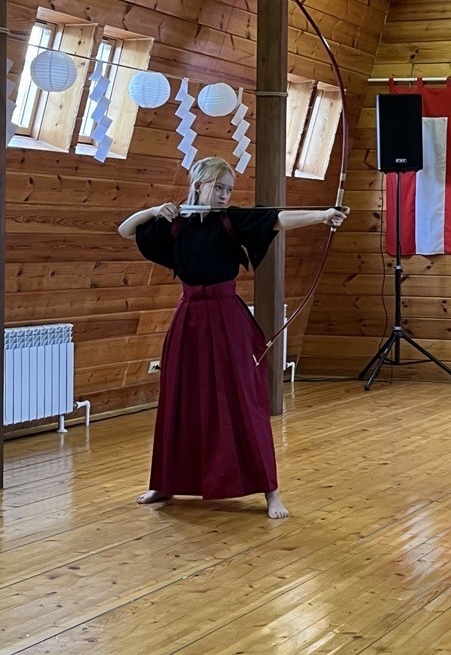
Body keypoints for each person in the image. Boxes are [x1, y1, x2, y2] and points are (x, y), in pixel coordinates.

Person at [118, 156, 348, 518]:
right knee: (179, 399)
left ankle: (270, 491)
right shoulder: (174, 224)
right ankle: (164, 482)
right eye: (219, 187)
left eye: (229, 189)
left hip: (227, 320)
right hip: (189, 320)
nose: (226, 195)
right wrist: (152, 211)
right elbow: (125, 230)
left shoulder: (231, 220)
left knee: (244, 400)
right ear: (198, 185)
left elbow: (277, 219)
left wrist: (322, 216)